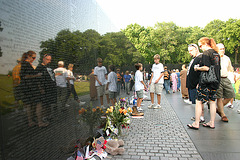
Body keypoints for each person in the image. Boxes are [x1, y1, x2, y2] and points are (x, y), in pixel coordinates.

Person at [187, 37, 221, 130]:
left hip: (206, 81)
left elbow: (206, 68)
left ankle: (196, 123)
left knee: (199, 101)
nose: (201, 48)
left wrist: (197, 68)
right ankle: (212, 122)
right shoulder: (216, 53)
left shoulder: (206, 53)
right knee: (212, 101)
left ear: (206, 44)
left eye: (201, 45)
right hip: (216, 81)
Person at [20, 51, 48, 127]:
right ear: (28, 56)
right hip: (31, 87)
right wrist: (37, 75)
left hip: (27, 87)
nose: (34, 59)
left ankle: (31, 121)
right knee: (39, 103)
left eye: (35, 57)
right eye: (33, 57)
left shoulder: (24, 64)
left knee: (29, 105)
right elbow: (25, 76)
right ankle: (40, 122)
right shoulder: (26, 64)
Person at [215, 43, 235, 122]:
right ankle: (223, 114)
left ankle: (218, 108)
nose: (222, 50)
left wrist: (233, 76)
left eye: (223, 48)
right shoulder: (215, 58)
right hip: (218, 79)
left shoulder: (227, 58)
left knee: (231, 94)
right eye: (221, 49)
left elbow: (230, 69)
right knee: (219, 97)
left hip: (225, 78)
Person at [186, 44, 205, 123]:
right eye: (189, 51)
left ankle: (201, 117)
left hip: (196, 84)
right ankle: (199, 115)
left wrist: (199, 83)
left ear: (196, 49)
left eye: (191, 50)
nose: (190, 52)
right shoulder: (195, 58)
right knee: (196, 101)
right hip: (192, 83)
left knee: (199, 101)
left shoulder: (200, 58)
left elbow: (201, 72)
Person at [35, 54, 57, 121]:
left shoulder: (50, 67)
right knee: (44, 104)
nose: (49, 61)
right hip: (45, 88)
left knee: (49, 103)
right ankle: (43, 117)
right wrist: (40, 88)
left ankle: (49, 115)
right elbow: (37, 79)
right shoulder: (39, 67)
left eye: (50, 60)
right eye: (47, 59)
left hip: (51, 88)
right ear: (43, 59)